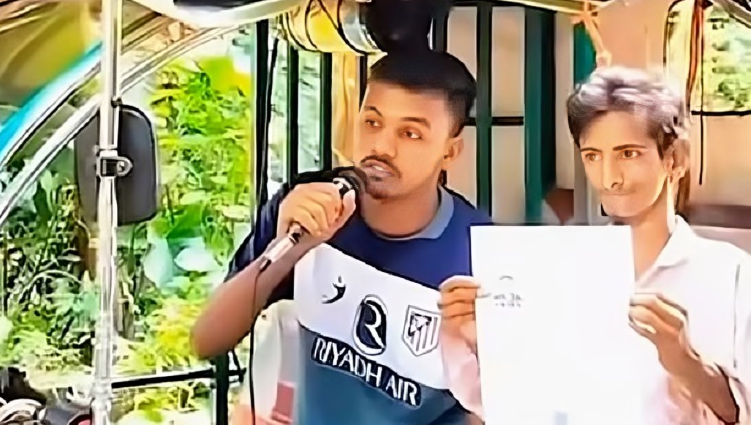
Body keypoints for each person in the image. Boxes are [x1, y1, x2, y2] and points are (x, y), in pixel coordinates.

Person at [191, 49, 491, 425]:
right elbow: (207, 340)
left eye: (410, 133)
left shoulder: (481, 255)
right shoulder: (307, 205)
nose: (382, 147)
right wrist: (287, 250)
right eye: (372, 122)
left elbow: (497, 409)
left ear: (450, 151)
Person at [438, 66, 751, 424]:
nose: (609, 178)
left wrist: (685, 362)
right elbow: (510, 404)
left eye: (628, 154)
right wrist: (473, 338)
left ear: (675, 158)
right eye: (593, 156)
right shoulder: (555, 270)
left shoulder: (732, 277)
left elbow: (739, 412)